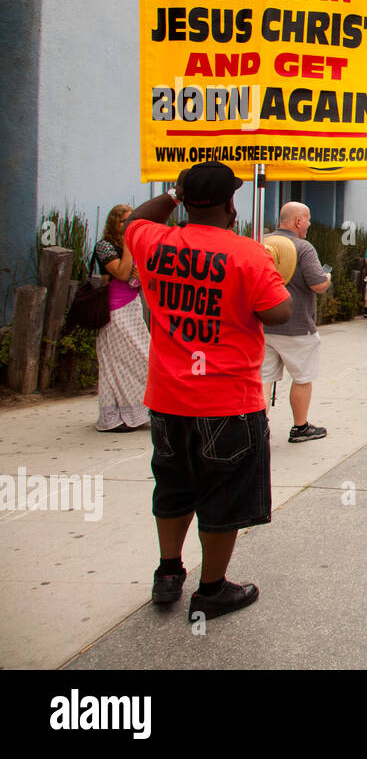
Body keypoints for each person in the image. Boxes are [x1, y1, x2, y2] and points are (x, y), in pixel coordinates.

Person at [124, 161, 292, 620]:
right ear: (230, 205)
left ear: (185, 200)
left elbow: (137, 217)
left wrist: (175, 195)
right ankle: (211, 589)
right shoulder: (248, 254)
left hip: (167, 397)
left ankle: (167, 572)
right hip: (227, 401)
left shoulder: (152, 241)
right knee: (225, 493)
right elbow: (278, 312)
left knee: (173, 485)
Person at [261, 202, 332, 443]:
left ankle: (258, 428)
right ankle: (300, 427)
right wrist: (327, 278)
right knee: (302, 378)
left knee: (263, 378)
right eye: (308, 219)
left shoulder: (262, 242)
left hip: (264, 322)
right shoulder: (303, 248)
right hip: (297, 324)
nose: (310, 224)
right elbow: (317, 284)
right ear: (298, 222)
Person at [93, 204, 149, 432]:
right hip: (114, 311)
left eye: (131, 221)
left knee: (144, 358)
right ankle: (115, 416)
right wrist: (128, 245)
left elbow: (140, 278)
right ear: (114, 222)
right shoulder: (105, 247)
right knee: (115, 361)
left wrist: (140, 272)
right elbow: (122, 273)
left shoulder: (134, 246)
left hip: (133, 307)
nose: (127, 225)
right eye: (123, 221)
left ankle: (136, 410)